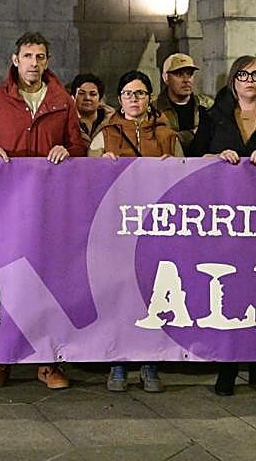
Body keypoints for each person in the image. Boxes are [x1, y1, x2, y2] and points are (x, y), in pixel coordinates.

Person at [0, 32, 84, 391]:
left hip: (48, 206)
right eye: (27, 56)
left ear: (47, 61)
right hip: (4, 206)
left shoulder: (62, 101)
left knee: (46, 281)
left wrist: (68, 152)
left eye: (40, 56)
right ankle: (0, 360)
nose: (33, 63)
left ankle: (47, 362)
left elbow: (77, 145)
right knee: (5, 279)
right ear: (14, 59)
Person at [187, 55, 256, 397]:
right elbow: (192, 158)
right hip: (226, 219)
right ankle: (227, 367)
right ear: (233, 80)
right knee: (230, 291)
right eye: (243, 74)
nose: (250, 80)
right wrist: (214, 158)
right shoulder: (215, 116)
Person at [89, 70, 180, 393]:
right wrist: (101, 165)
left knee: (153, 292)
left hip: (156, 226)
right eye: (128, 94)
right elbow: (90, 181)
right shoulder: (106, 133)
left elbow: (182, 180)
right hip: (118, 226)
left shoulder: (167, 135)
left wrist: (174, 166)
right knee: (119, 292)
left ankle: (150, 361)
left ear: (149, 97)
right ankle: (118, 361)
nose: (134, 99)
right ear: (120, 99)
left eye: (139, 93)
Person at [153, 53, 213, 151]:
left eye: (189, 74)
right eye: (179, 74)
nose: (186, 80)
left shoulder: (207, 106)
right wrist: (191, 135)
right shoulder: (154, 108)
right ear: (165, 78)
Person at [70, 73, 113, 150]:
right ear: (73, 98)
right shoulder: (64, 123)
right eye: (81, 93)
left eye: (93, 94)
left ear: (100, 99)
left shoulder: (114, 122)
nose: (87, 98)